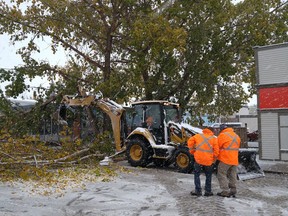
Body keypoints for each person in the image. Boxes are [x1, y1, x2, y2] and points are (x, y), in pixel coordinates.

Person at [187, 127, 219, 197]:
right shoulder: (214, 139)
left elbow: (190, 142)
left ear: (204, 131)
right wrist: (213, 159)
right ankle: (208, 191)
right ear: (211, 131)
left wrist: (192, 151)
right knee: (208, 175)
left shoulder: (198, 136)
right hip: (208, 161)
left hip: (198, 159)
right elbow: (216, 152)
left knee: (197, 174)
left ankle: (198, 191)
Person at [216, 124, 241, 198]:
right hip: (234, 159)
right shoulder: (236, 136)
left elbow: (217, 146)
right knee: (232, 175)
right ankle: (233, 189)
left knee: (221, 174)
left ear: (221, 129)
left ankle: (225, 191)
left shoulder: (222, 135)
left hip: (225, 159)